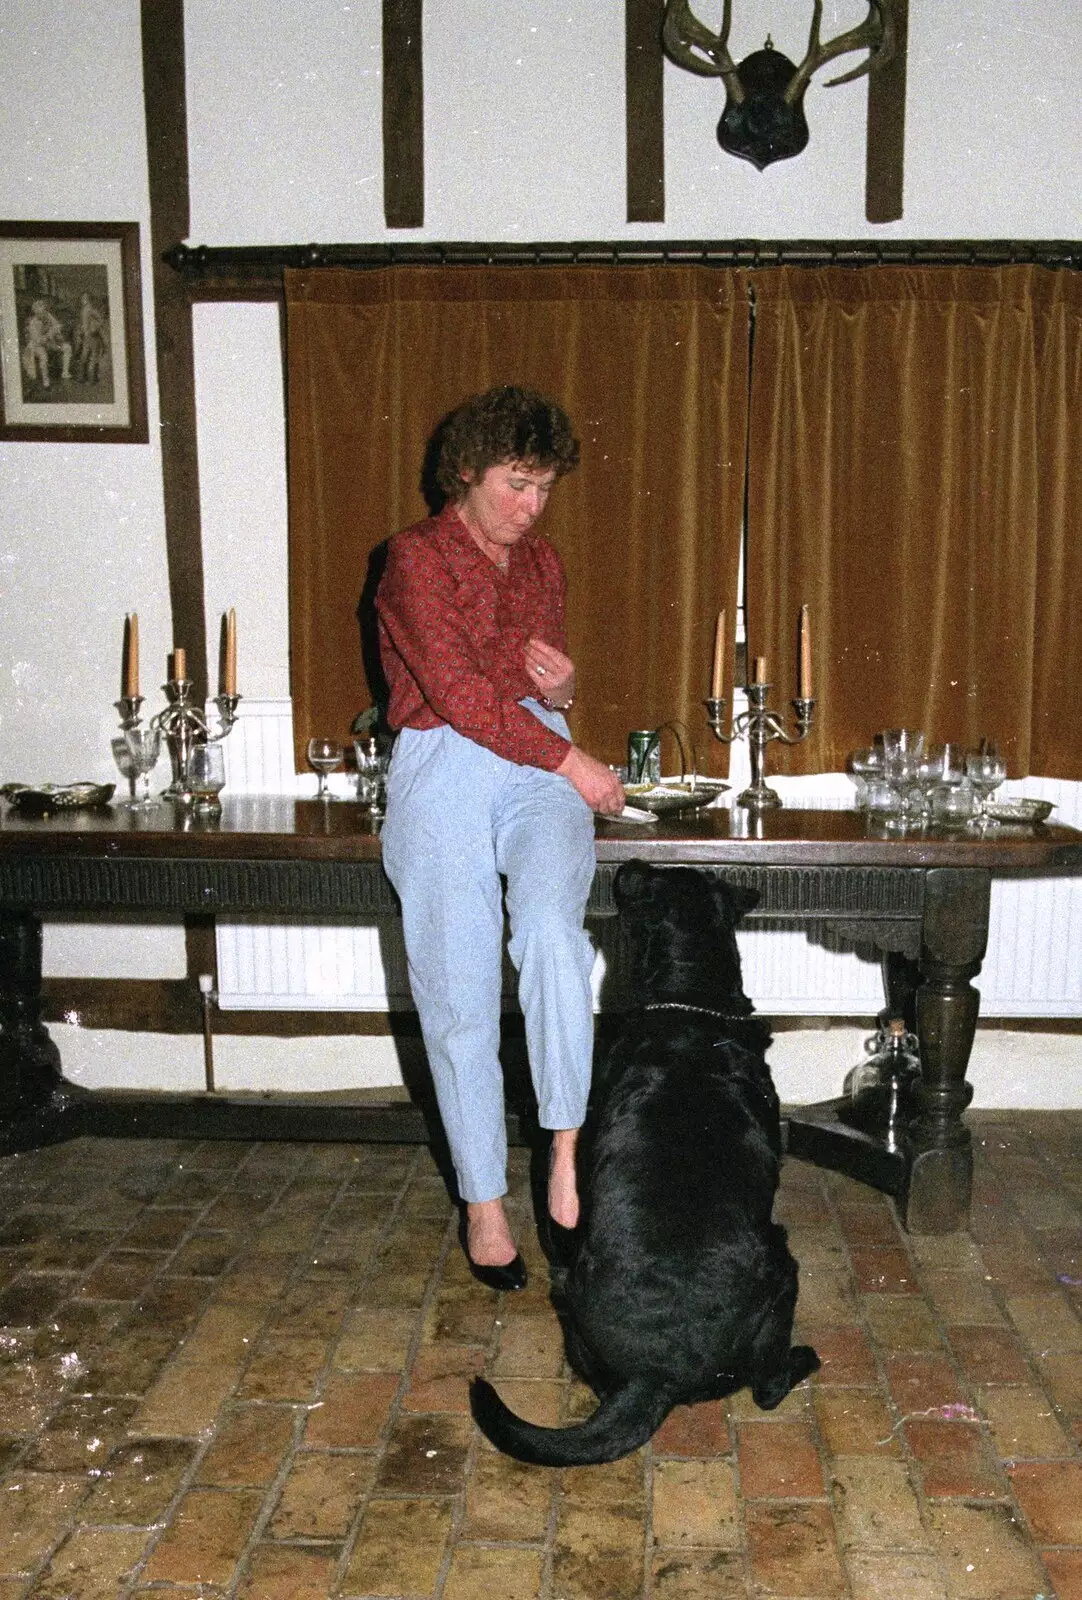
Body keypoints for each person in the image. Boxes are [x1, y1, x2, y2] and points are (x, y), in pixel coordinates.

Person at [376, 385, 625, 1290]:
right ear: (467, 473)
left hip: (532, 764)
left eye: (546, 488)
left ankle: (565, 1144)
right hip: (443, 760)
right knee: (458, 993)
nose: (531, 507)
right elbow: (461, 697)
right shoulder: (413, 560)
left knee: (556, 935)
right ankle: (483, 1204)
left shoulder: (544, 563)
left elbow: (530, 686)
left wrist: (562, 696)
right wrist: (577, 762)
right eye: (518, 484)